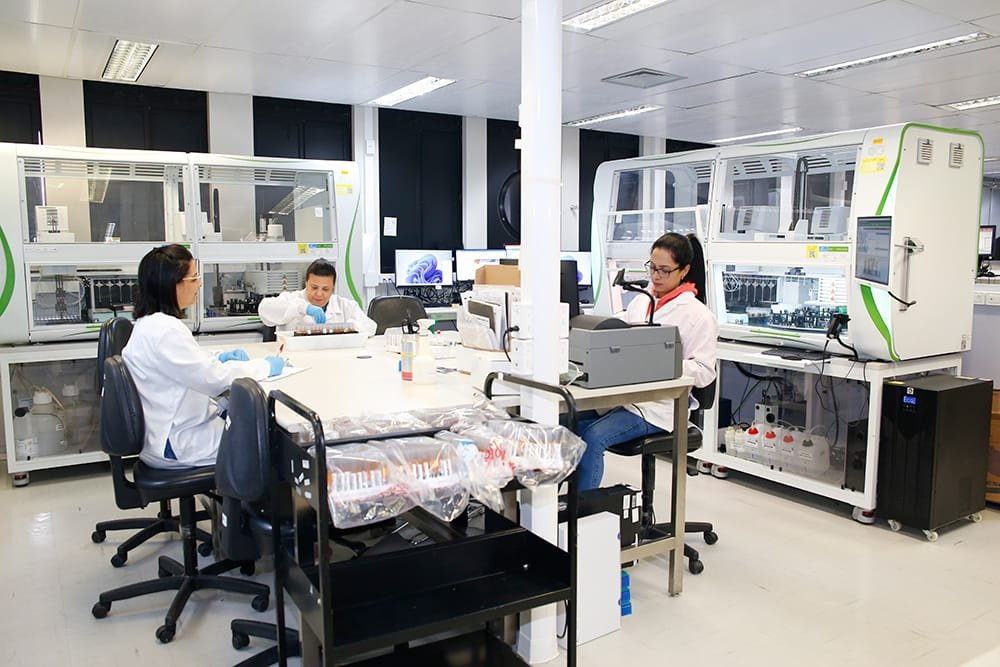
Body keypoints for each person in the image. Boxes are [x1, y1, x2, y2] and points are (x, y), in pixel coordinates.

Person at [575, 232, 719, 491]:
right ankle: (556, 507)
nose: (656, 276)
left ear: (684, 270)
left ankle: (583, 511)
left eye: (665, 270)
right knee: (567, 421)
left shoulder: (699, 316)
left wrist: (661, 362)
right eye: (652, 267)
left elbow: (705, 372)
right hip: (624, 397)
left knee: (593, 437)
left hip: (660, 407)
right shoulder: (641, 301)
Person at [122, 244, 285, 469]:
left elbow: (188, 363)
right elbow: (215, 379)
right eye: (193, 278)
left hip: (164, 432)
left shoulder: (149, 324)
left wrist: (219, 357)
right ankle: (249, 493)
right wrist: (264, 367)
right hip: (176, 444)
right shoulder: (165, 330)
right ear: (172, 284)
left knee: (245, 418)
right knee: (272, 441)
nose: (199, 284)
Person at [257, 258, 377, 336]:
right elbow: (264, 309)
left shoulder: (345, 305)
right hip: (296, 358)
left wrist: (351, 326)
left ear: (333, 288)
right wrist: (303, 308)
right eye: (314, 287)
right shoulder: (291, 299)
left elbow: (371, 327)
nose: (319, 294)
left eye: (325, 289)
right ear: (306, 283)